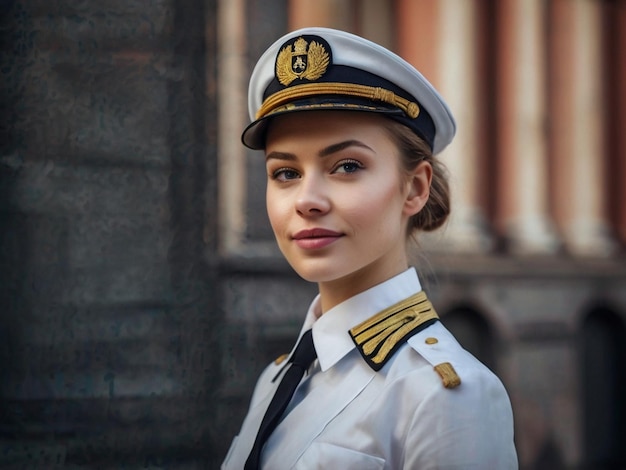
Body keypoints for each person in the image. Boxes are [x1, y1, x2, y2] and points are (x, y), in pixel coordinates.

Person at [222, 27, 518, 469]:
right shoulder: (278, 377)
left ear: (414, 188)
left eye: (346, 166)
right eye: (285, 173)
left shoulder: (444, 397)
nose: (306, 200)